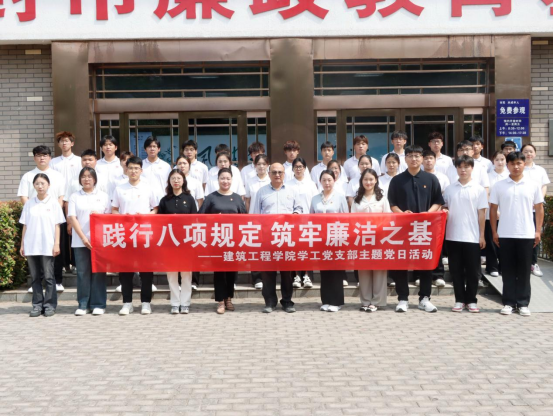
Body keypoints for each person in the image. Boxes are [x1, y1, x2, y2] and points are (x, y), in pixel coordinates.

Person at [388, 145, 445, 313]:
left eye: (417, 156)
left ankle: (424, 298)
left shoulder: (431, 179)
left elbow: (438, 201)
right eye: (410, 156)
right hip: (402, 229)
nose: (414, 159)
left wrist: (428, 214)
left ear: (422, 158)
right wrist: (402, 214)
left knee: (425, 263)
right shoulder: (397, 180)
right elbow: (392, 204)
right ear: (405, 159)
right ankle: (402, 299)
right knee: (401, 263)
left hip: (424, 229)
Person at [490, 152, 545, 317]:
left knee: (524, 271)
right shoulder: (499, 186)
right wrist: (494, 231)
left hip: (526, 234)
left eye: (519, 163)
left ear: (524, 164)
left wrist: (538, 230)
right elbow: (493, 209)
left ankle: (522, 303)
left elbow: (539, 209)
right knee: (507, 270)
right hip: (505, 233)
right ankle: (508, 302)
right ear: (507, 165)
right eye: (512, 163)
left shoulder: (533, 185)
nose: (516, 166)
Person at [251, 163, 303, 314]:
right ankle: (270, 301)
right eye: (274, 172)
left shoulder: (292, 191)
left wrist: (295, 215)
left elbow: (299, 209)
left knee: (287, 272)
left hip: (287, 237)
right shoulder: (261, 192)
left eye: (280, 172)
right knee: (268, 272)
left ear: (284, 174)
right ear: (269, 174)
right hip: (268, 238)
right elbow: (255, 215)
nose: (277, 175)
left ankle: (287, 301)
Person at [112, 156, 159, 316]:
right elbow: (114, 209)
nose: (133, 171)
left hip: (144, 234)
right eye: (130, 168)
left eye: (136, 168)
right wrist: (123, 217)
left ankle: (146, 302)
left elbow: (156, 209)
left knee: (146, 270)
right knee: (126, 270)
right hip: (125, 234)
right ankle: (127, 303)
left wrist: (145, 216)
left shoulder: (148, 188)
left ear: (141, 170)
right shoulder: (120, 188)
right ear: (126, 170)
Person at [443, 156, 489, 314]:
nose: (463, 170)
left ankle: (471, 300)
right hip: (453, 235)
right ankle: (459, 300)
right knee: (456, 271)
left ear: (472, 168)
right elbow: (444, 209)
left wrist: (482, 235)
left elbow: (482, 214)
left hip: (472, 237)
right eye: (460, 167)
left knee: (473, 271)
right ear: (456, 168)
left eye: (466, 167)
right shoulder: (450, 189)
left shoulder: (479, 189)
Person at [18, 145, 66, 293]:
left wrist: (54, 213)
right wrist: (34, 211)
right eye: (38, 155)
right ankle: (36, 283)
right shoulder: (27, 176)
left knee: (55, 249)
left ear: (50, 157)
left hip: (53, 218)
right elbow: (24, 196)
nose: (42, 158)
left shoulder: (57, 176)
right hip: (33, 220)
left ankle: (57, 280)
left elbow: (61, 197)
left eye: (45, 155)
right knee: (35, 250)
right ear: (34, 158)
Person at [199, 168, 247, 314]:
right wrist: (213, 218)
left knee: (232, 271)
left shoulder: (237, 198)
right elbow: (200, 217)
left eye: (228, 178)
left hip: (233, 241)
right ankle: (220, 301)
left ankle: (229, 298)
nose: (225, 181)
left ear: (232, 180)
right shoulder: (211, 198)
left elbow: (245, 218)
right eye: (222, 178)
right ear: (218, 180)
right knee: (219, 271)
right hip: (217, 241)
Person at [19, 174, 65, 318]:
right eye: (37, 184)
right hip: (31, 244)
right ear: (33, 186)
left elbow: (57, 225)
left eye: (43, 183)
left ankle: (50, 305)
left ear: (48, 185)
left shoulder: (54, 204)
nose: (40, 186)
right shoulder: (29, 204)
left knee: (49, 277)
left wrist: (56, 243)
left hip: (48, 245)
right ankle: (37, 305)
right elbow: (25, 225)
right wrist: (22, 244)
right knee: (35, 277)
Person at [67, 167, 111, 316]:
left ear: (95, 179)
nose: (86, 179)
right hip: (80, 241)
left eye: (89, 176)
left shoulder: (103, 196)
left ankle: (98, 304)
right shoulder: (75, 196)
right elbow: (72, 218)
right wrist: (84, 238)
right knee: (82, 273)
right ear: (80, 179)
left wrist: (100, 215)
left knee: (99, 272)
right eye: (84, 176)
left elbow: (109, 217)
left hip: (99, 242)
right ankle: (83, 304)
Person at [158, 170, 198, 315]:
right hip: (170, 242)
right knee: (172, 274)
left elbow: (195, 220)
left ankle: (185, 303)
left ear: (183, 181)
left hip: (186, 242)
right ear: (169, 181)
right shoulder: (164, 200)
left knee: (186, 274)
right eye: (173, 178)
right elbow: (159, 222)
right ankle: (175, 303)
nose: (176, 181)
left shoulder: (189, 199)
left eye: (179, 178)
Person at [351, 169, 391, 312]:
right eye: (365, 179)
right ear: (361, 181)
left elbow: (388, 218)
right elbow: (352, 221)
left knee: (379, 270)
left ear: (376, 180)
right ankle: (365, 301)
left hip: (379, 240)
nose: (368, 182)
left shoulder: (382, 198)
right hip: (362, 240)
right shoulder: (357, 200)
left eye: (371, 179)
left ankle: (377, 301)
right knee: (363, 270)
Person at [310, 170, 349, 313]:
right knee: (324, 271)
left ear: (334, 180)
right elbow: (311, 218)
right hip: (321, 239)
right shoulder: (315, 198)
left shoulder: (340, 197)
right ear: (320, 181)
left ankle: (336, 301)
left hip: (337, 238)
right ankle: (326, 300)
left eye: (329, 180)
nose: (327, 183)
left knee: (336, 271)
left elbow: (346, 218)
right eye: (324, 180)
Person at [287, 157, 319, 289]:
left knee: (307, 249)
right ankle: (296, 276)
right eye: (296, 167)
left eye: (300, 166)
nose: (298, 169)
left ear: (305, 168)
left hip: (308, 221)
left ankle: (307, 276)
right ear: (292, 168)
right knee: (294, 249)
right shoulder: (287, 184)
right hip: (293, 222)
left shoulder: (311, 184)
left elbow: (315, 201)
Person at [422, 149, 451, 288]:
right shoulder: (417, 176)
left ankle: (438, 275)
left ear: (435, 160)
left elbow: (445, 198)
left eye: (431, 158)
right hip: (420, 218)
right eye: (426, 158)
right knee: (420, 246)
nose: (428, 161)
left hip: (436, 217)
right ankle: (419, 275)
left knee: (436, 246)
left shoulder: (442, 177)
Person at [522, 144, 551, 278]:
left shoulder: (540, 170)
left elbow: (544, 187)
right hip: (521, 209)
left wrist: (538, 201)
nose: (528, 154)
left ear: (535, 154)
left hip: (535, 209)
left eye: (531, 151)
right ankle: (521, 264)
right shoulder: (518, 168)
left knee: (535, 236)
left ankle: (533, 263)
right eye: (525, 151)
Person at [244, 154, 271, 290]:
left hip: (268, 220)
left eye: (263, 164)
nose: (261, 166)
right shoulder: (250, 181)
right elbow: (247, 200)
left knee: (268, 248)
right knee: (255, 249)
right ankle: (257, 278)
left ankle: (268, 276)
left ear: (267, 165)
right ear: (254, 166)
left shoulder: (271, 180)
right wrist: (248, 216)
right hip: (254, 219)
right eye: (258, 164)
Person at [486, 152, 509, 278]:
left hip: (507, 215)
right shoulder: (488, 176)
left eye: (502, 159)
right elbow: (487, 194)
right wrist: (495, 210)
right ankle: (492, 266)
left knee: (505, 241)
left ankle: (504, 266)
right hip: (491, 213)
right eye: (497, 160)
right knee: (491, 241)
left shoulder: (509, 176)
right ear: (493, 161)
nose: (500, 162)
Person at [142, 137, 173, 202]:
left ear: (159, 149)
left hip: (162, 200)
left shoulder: (166, 166)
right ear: (145, 149)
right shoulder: (140, 165)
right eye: (149, 146)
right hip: (144, 200)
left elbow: (170, 184)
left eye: (154, 146)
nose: (152, 149)